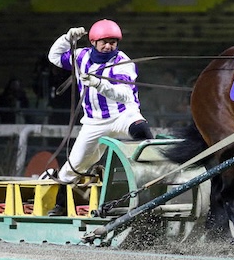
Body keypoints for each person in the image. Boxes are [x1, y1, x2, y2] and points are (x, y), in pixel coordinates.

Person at [45, 19, 153, 216]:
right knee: (73, 165)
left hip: (122, 115)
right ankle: (61, 205)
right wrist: (67, 38)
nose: (108, 46)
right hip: (93, 122)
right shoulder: (81, 56)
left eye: (113, 42)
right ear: (93, 42)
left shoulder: (123, 62)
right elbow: (54, 57)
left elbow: (125, 95)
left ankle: (152, 180)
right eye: (104, 41)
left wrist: (98, 84)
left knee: (142, 131)